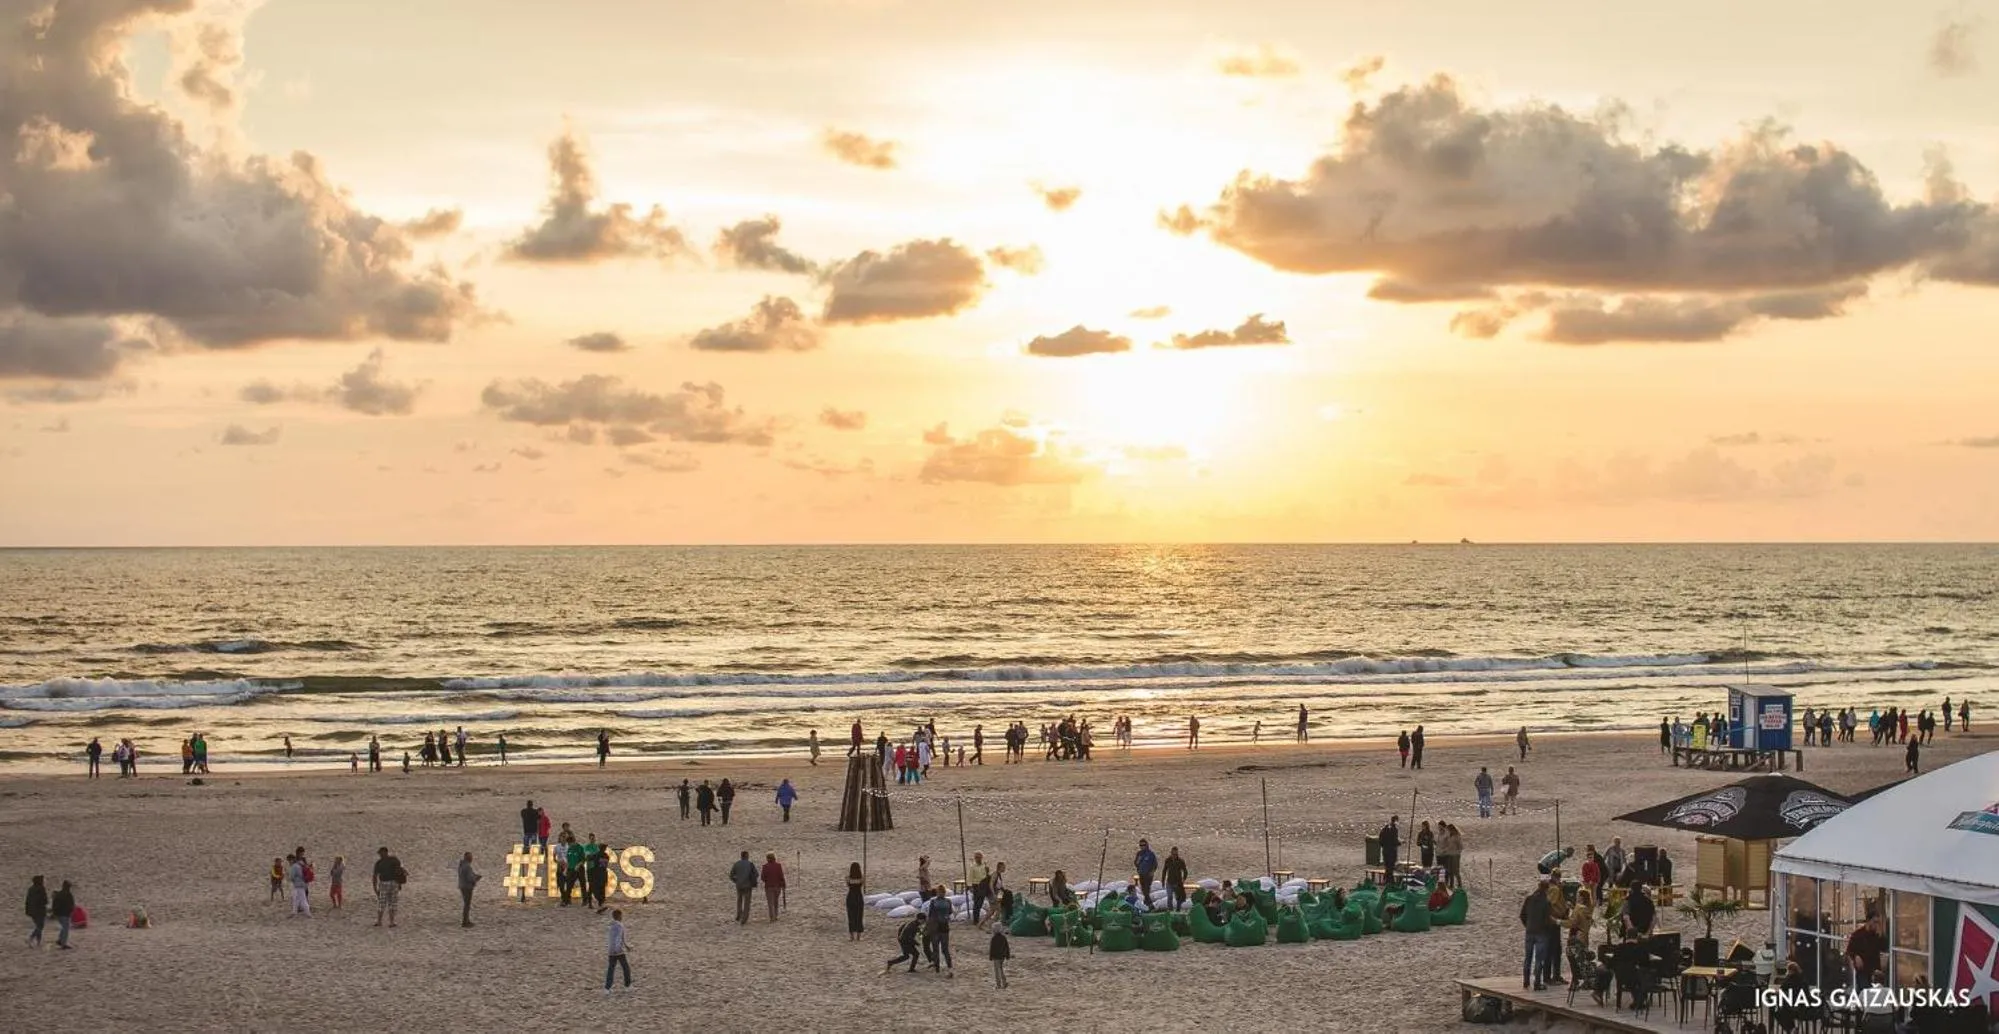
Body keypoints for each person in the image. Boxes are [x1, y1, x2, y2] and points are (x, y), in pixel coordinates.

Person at [1519, 878, 1551, 990]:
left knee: (1527, 958)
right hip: (1541, 932)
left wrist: (1527, 925)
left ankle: (1526, 981)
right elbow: (1547, 920)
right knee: (1539, 959)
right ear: (1546, 889)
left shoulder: (1529, 899)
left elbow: (1522, 915)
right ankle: (1537, 983)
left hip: (1529, 931)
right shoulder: (1546, 902)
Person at [1846, 915, 1886, 985]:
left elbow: (1884, 947)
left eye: (1878, 923)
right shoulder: (1858, 935)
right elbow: (1849, 950)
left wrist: (1881, 935)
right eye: (1875, 922)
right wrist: (1856, 956)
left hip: (1874, 969)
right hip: (1863, 970)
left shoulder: (1876, 936)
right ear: (1868, 922)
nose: (1876, 925)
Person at [925, 885, 955, 976]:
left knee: (935, 949)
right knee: (945, 949)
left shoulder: (933, 902)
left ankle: (937, 968)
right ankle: (950, 967)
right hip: (945, 927)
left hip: (935, 927)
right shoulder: (948, 901)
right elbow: (950, 912)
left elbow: (930, 915)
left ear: (937, 892)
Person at [372, 846, 405, 928]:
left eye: (381, 853)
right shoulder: (392, 860)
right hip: (389, 883)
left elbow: (399, 872)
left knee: (389, 903)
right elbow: (399, 872)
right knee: (385, 903)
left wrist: (375, 887)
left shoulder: (383, 862)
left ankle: (389, 921)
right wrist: (375, 887)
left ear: (385, 852)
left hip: (390, 883)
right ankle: (384, 921)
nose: (380, 855)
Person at [604, 909, 632, 995]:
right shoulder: (620, 926)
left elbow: (612, 938)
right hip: (618, 950)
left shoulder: (610, 925)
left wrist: (626, 946)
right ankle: (627, 986)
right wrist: (619, 948)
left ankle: (607, 988)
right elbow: (619, 938)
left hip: (610, 950)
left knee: (611, 969)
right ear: (619, 916)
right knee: (626, 968)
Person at [730, 851, 758, 925]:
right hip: (748, 885)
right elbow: (756, 874)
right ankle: (744, 918)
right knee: (747, 902)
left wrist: (736, 881)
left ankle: (739, 914)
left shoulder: (736, 864)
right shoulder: (750, 864)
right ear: (747, 856)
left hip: (739, 885)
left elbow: (731, 875)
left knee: (739, 899)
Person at [758, 853, 786, 921]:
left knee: (770, 903)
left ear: (767, 858)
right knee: (776, 902)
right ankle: (776, 915)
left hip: (769, 887)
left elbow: (762, 877)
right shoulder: (778, 866)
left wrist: (767, 881)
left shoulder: (765, 866)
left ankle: (772, 917)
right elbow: (781, 876)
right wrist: (783, 884)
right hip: (777, 886)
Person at [457, 852, 480, 927]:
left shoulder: (462, 866)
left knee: (466, 904)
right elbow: (470, 878)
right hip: (467, 887)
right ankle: (465, 921)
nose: (472, 859)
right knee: (467, 905)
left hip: (462, 886)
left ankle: (466, 920)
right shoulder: (467, 867)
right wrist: (476, 878)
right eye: (470, 857)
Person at [968, 852, 991, 925]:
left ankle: (977, 918)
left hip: (983, 885)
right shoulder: (973, 867)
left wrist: (987, 872)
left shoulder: (984, 865)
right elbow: (970, 877)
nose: (978, 859)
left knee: (980, 902)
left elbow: (986, 875)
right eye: (977, 857)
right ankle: (976, 920)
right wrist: (970, 887)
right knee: (976, 903)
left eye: (980, 857)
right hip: (976, 885)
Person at [1163, 847, 1189, 912]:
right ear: (1171, 853)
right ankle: (1170, 910)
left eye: (1175, 854)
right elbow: (1164, 871)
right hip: (1169, 882)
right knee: (1169, 897)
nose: (1174, 856)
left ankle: (1178, 910)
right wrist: (1163, 880)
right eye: (1173, 854)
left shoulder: (1181, 861)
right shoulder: (1167, 860)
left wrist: (1183, 879)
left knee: (1178, 898)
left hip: (1177, 883)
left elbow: (1185, 871)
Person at [51, 880, 76, 949]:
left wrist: (54, 913)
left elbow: (54, 904)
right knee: (66, 928)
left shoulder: (59, 894)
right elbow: (72, 905)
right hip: (65, 914)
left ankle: (60, 940)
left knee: (64, 927)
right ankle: (63, 944)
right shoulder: (68, 894)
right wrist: (71, 911)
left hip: (59, 914)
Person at [845, 862, 866, 941]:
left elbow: (848, 884)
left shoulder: (848, 878)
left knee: (851, 916)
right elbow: (862, 883)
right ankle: (858, 937)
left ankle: (851, 937)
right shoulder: (862, 878)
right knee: (859, 916)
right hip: (858, 897)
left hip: (850, 897)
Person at [26, 875, 48, 948]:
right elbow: (45, 900)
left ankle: (38, 942)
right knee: (40, 926)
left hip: (32, 911)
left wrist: (27, 911)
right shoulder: (41, 888)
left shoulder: (30, 889)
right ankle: (31, 938)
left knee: (38, 926)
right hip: (40, 910)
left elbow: (27, 901)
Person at [289, 852, 312, 918]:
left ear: (291, 860)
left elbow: (292, 877)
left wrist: (291, 878)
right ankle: (294, 912)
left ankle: (308, 913)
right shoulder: (299, 865)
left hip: (298, 885)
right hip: (301, 884)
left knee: (302, 899)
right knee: (296, 899)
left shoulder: (294, 866)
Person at [989, 925, 1011, 989]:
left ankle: (998, 984)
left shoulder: (994, 938)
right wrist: (1007, 955)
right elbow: (1007, 947)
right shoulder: (1003, 938)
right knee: (1001, 969)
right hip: (1002, 957)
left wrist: (990, 956)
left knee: (997, 971)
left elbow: (992, 949)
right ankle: (1004, 982)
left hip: (996, 957)